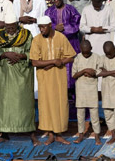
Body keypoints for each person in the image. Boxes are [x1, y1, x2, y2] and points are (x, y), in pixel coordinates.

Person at [0, 13, 38, 145]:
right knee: (5, 105)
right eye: (7, 28)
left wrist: (21, 56)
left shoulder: (26, 35)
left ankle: (31, 133)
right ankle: (4, 133)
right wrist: (5, 54)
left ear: (17, 25)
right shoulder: (0, 36)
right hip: (5, 75)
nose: (10, 30)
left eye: (12, 27)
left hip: (22, 74)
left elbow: (33, 52)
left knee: (24, 104)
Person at [30, 16, 76, 146]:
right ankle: (50, 135)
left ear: (50, 25)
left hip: (58, 78)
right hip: (44, 79)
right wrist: (52, 61)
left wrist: (59, 62)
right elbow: (34, 62)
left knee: (60, 105)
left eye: (43, 27)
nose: (41, 29)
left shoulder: (61, 37)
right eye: (39, 27)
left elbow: (71, 56)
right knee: (47, 105)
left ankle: (59, 135)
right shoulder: (37, 40)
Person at [71, 40, 101, 145]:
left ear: (91, 48)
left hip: (92, 89)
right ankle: (81, 135)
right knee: (80, 115)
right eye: (84, 52)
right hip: (80, 89)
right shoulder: (77, 58)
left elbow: (100, 71)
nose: (85, 54)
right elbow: (73, 75)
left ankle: (97, 135)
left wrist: (93, 73)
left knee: (95, 114)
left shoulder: (97, 57)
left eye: (87, 52)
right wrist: (84, 71)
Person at [98, 41, 115, 144]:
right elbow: (98, 72)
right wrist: (114, 71)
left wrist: (106, 72)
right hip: (106, 91)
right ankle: (113, 136)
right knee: (108, 114)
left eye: (110, 53)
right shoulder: (102, 58)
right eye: (106, 53)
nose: (108, 55)